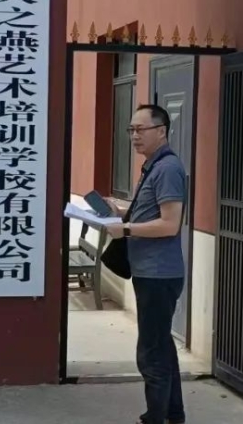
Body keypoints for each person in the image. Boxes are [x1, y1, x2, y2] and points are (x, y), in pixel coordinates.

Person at [104, 103, 188, 424]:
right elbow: (150, 211)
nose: (134, 136)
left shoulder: (168, 169)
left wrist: (125, 229)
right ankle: (172, 414)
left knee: (151, 352)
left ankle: (156, 417)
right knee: (161, 346)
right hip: (149, 271)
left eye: (141, 129)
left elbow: (170, 224)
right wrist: (121, 211)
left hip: (159, 274)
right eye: (131, 130)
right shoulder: (153, 166)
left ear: (161, 131)